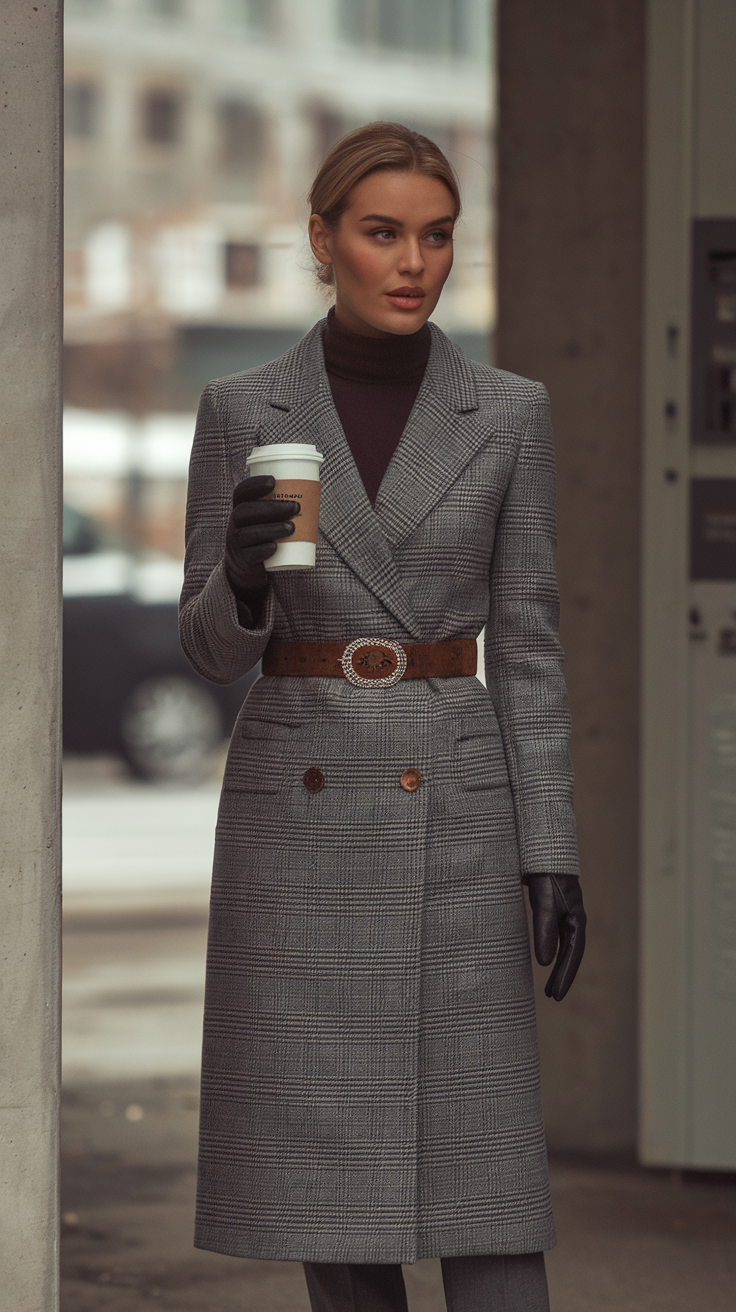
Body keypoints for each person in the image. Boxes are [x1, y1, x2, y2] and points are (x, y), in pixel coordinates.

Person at [179, 122, 586, 1312]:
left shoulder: (508, 412)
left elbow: (526, 648)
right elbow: (205, 652)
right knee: (330, 1192)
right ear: (322, 241)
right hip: (297, 805)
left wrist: (548, 845)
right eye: (381, 232)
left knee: (489, 1190)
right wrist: (244, 580)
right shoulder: (241, 409)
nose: (413, 261)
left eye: (436, 235)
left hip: (455, 805)